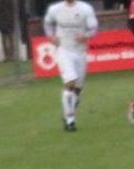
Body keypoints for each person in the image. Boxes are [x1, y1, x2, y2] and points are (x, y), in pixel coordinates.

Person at [44, 0, 98, 132]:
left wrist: (85, 36)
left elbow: (93, 28)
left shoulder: (85, 9)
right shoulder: (55, 9)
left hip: (80, 52)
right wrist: (51, 36)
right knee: (71, 82)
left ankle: (69, 110)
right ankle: (70, 121)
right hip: (64, 50)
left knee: (77, 89)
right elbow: (47, 23)